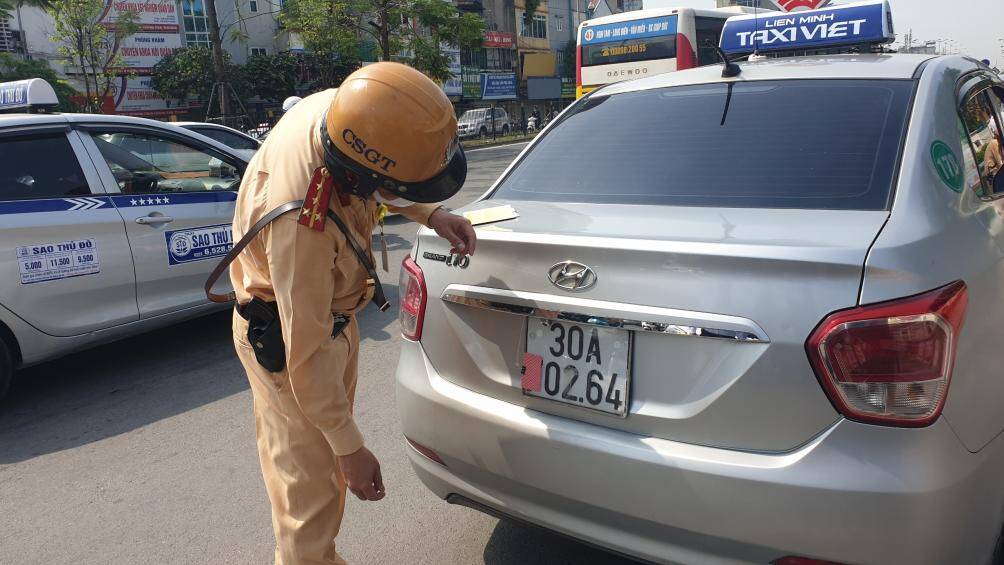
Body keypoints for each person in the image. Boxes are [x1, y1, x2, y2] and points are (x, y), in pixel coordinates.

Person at [225, 62, 476, 565]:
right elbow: (306, 351)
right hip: (290, 340)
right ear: (359, 174)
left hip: (335, 319)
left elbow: (382, 182)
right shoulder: (302, 222)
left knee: (319, 484)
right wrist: (350, 448)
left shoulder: (353, 110)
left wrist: (430, 212)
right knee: (310, 497)